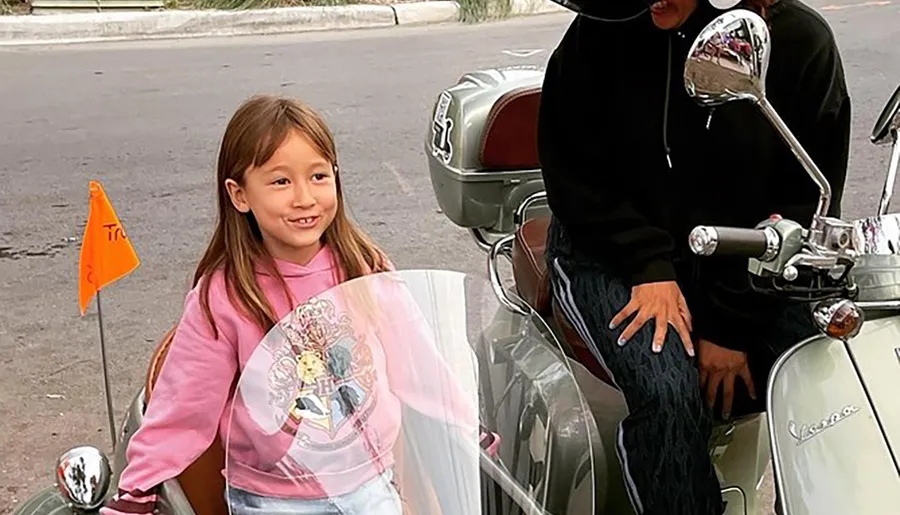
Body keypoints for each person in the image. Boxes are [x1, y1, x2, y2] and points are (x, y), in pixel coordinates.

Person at [537, 0, 850, 514]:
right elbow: (575, 182)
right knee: (666, 391)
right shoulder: (599, 32)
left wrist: (730, 323)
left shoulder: (801, 42)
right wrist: (648, 266)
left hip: (752, 260)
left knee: (832, 369)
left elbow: (805, 203)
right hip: (613, 250)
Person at [100, 95, 480, 515]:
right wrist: (138, 488)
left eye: (318, 176)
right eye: (281, 182)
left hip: (370, 482)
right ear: (239, 194)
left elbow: (418, 360)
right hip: (275, 497)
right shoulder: (225, 293)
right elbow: (184, 404)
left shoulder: (365, 268)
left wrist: (465, 426)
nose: (305, 198)